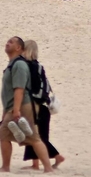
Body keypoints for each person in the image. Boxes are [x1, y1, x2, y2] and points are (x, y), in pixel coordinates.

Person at [0, 36, 52, 173]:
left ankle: (47, 168)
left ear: (18, 48)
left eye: (11, 42)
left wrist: (16, 110)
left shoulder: (19, 65)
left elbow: (19, 89)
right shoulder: (13, 64)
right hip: (14, 106)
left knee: (31, 137)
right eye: (7, 41)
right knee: (9, 135)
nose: (7, 43)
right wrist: (5, 111)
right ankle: (47, 168)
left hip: (22, 105)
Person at [21, 40, 62, 170]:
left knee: (35, 135)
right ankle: (35, 164)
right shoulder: (38, 66)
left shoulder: (27, 67)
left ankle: (56, 156)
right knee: (37, 134)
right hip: (44, 105)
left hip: (35, 105)